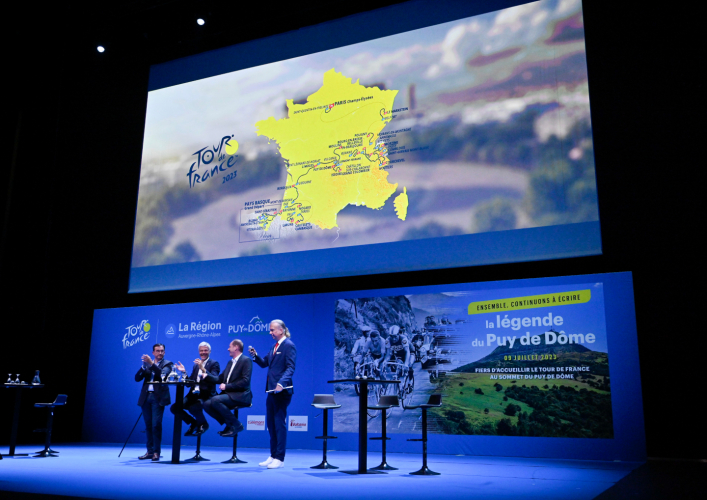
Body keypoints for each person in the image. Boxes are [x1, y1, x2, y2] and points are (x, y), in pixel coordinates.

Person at [249, 319, 296, 470]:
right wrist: (255, 356)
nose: (270, 333)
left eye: (272, 330)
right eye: (270, 330)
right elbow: (264, 364)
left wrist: (281, 383)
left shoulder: (289, 345)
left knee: (279, 423)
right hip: (271, 390)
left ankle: (280, 458)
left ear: (281, 330)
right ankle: (273, 455)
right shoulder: (274, 346)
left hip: (282, 390)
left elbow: (290, 367)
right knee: (270, 424)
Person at [202, 339, 252, 437]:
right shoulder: (230, 362)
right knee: (207, 404)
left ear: (236, 347)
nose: (228, 349)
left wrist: (227, 386)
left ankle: (237, 425)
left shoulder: (246, 360)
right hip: (230, 394)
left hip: (241, 395)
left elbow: (245, 381)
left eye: (230, 347)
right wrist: (206, 375)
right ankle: (230, 425)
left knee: (216, 400)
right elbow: (220, 378)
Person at [170, 342, 220, 436]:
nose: (203, 352)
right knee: (175, 408)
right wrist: (184, 372)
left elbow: (214, 378)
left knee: (193, 407)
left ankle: (204, 424)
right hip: (193, 395)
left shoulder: (214, 363)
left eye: (205, 350)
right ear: (198, 352)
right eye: (201, 350)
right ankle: (194, 423)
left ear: (209, 351)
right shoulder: (195, 365)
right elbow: (190, 383)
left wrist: (203, 369)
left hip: (206, 395)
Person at [135, 343, 173, 461]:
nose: (160, 353)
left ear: (164, 352)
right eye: (157, 351)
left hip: (158, 398)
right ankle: (149, 451)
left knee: (156, 425)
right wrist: (143, 366)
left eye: (162, 351)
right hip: (146, 397)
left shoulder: (167, 364)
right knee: (148, 425)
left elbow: (162, 375)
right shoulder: (147, 365)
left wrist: (151, 364)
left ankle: (157, 452)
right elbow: (137, 378)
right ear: (153, 353)